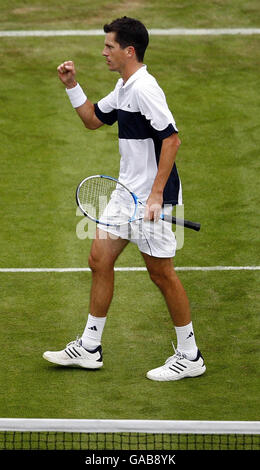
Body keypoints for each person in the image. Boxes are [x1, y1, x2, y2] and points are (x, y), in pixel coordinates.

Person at [43, 17, 206, 381]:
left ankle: (190, 354)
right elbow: (92, 120)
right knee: (99, 259)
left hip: (152, 199)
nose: (104, 52)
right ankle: (89, 347)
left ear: (128, 51)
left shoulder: (146, 89)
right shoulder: (124, 87)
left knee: (161, 274)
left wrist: (155, 195)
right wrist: (72, 86)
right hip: (124, 194)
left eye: (109, 47)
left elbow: (172, 140)